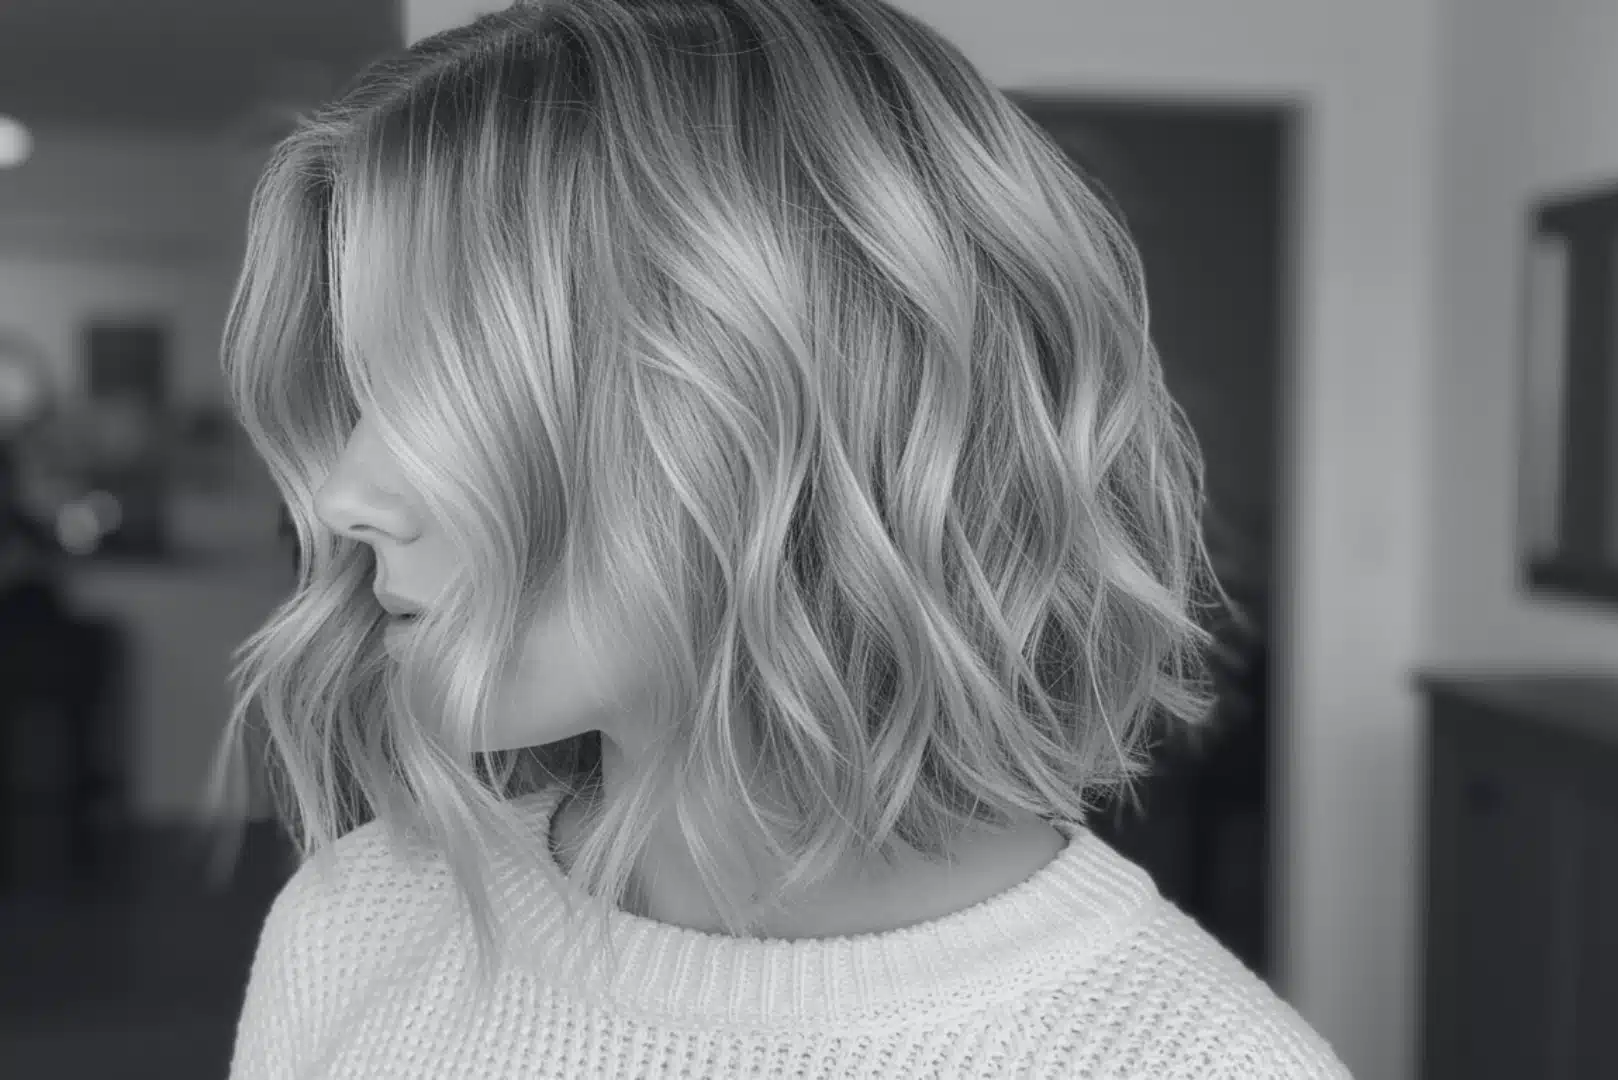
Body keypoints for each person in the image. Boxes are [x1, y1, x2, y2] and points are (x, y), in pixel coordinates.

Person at [210, 2, 1351, 1076]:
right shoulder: (354, 924)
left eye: (445, 385)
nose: (344, 493)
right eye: (360, 392)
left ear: (780, 408)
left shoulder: (1193, 1061)